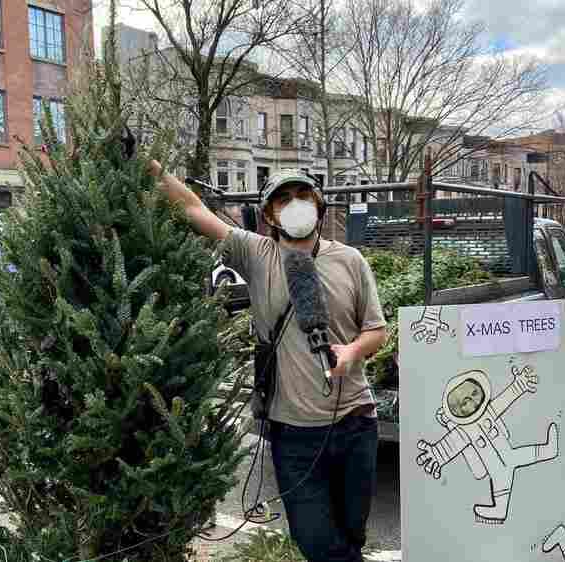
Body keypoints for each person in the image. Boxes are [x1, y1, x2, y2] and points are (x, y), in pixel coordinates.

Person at [147, 161, 387, 562]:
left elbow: (378, 331)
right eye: (283, 198)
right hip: (294, 434)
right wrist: (149, 165)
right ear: (269, 213)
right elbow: (192, 208)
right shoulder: (256, 254)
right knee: (316, 543)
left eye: (303, 195)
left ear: (319, 203)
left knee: (350, 537)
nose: (295, 204)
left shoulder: (350, 260)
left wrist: (352, 351)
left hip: (355, 422)